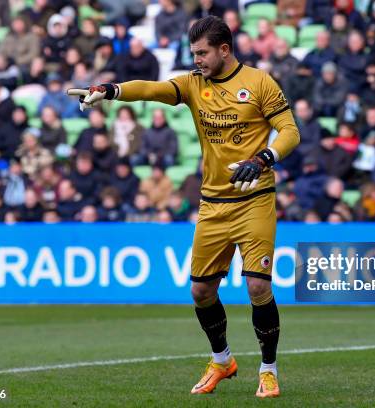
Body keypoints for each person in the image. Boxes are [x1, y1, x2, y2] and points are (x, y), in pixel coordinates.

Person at [67, 15, 299, 398]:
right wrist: (110, 90)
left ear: (224, 50)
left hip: (255, 199)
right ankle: (222, 360)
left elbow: (290, 130)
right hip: (213, 204)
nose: (198, 60)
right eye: (194, 53)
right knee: (201, 293)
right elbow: (152, 89)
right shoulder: (193, 84)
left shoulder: (259, 82)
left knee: (258, 285)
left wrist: (263, 158)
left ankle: (269, 369)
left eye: (203, 53)